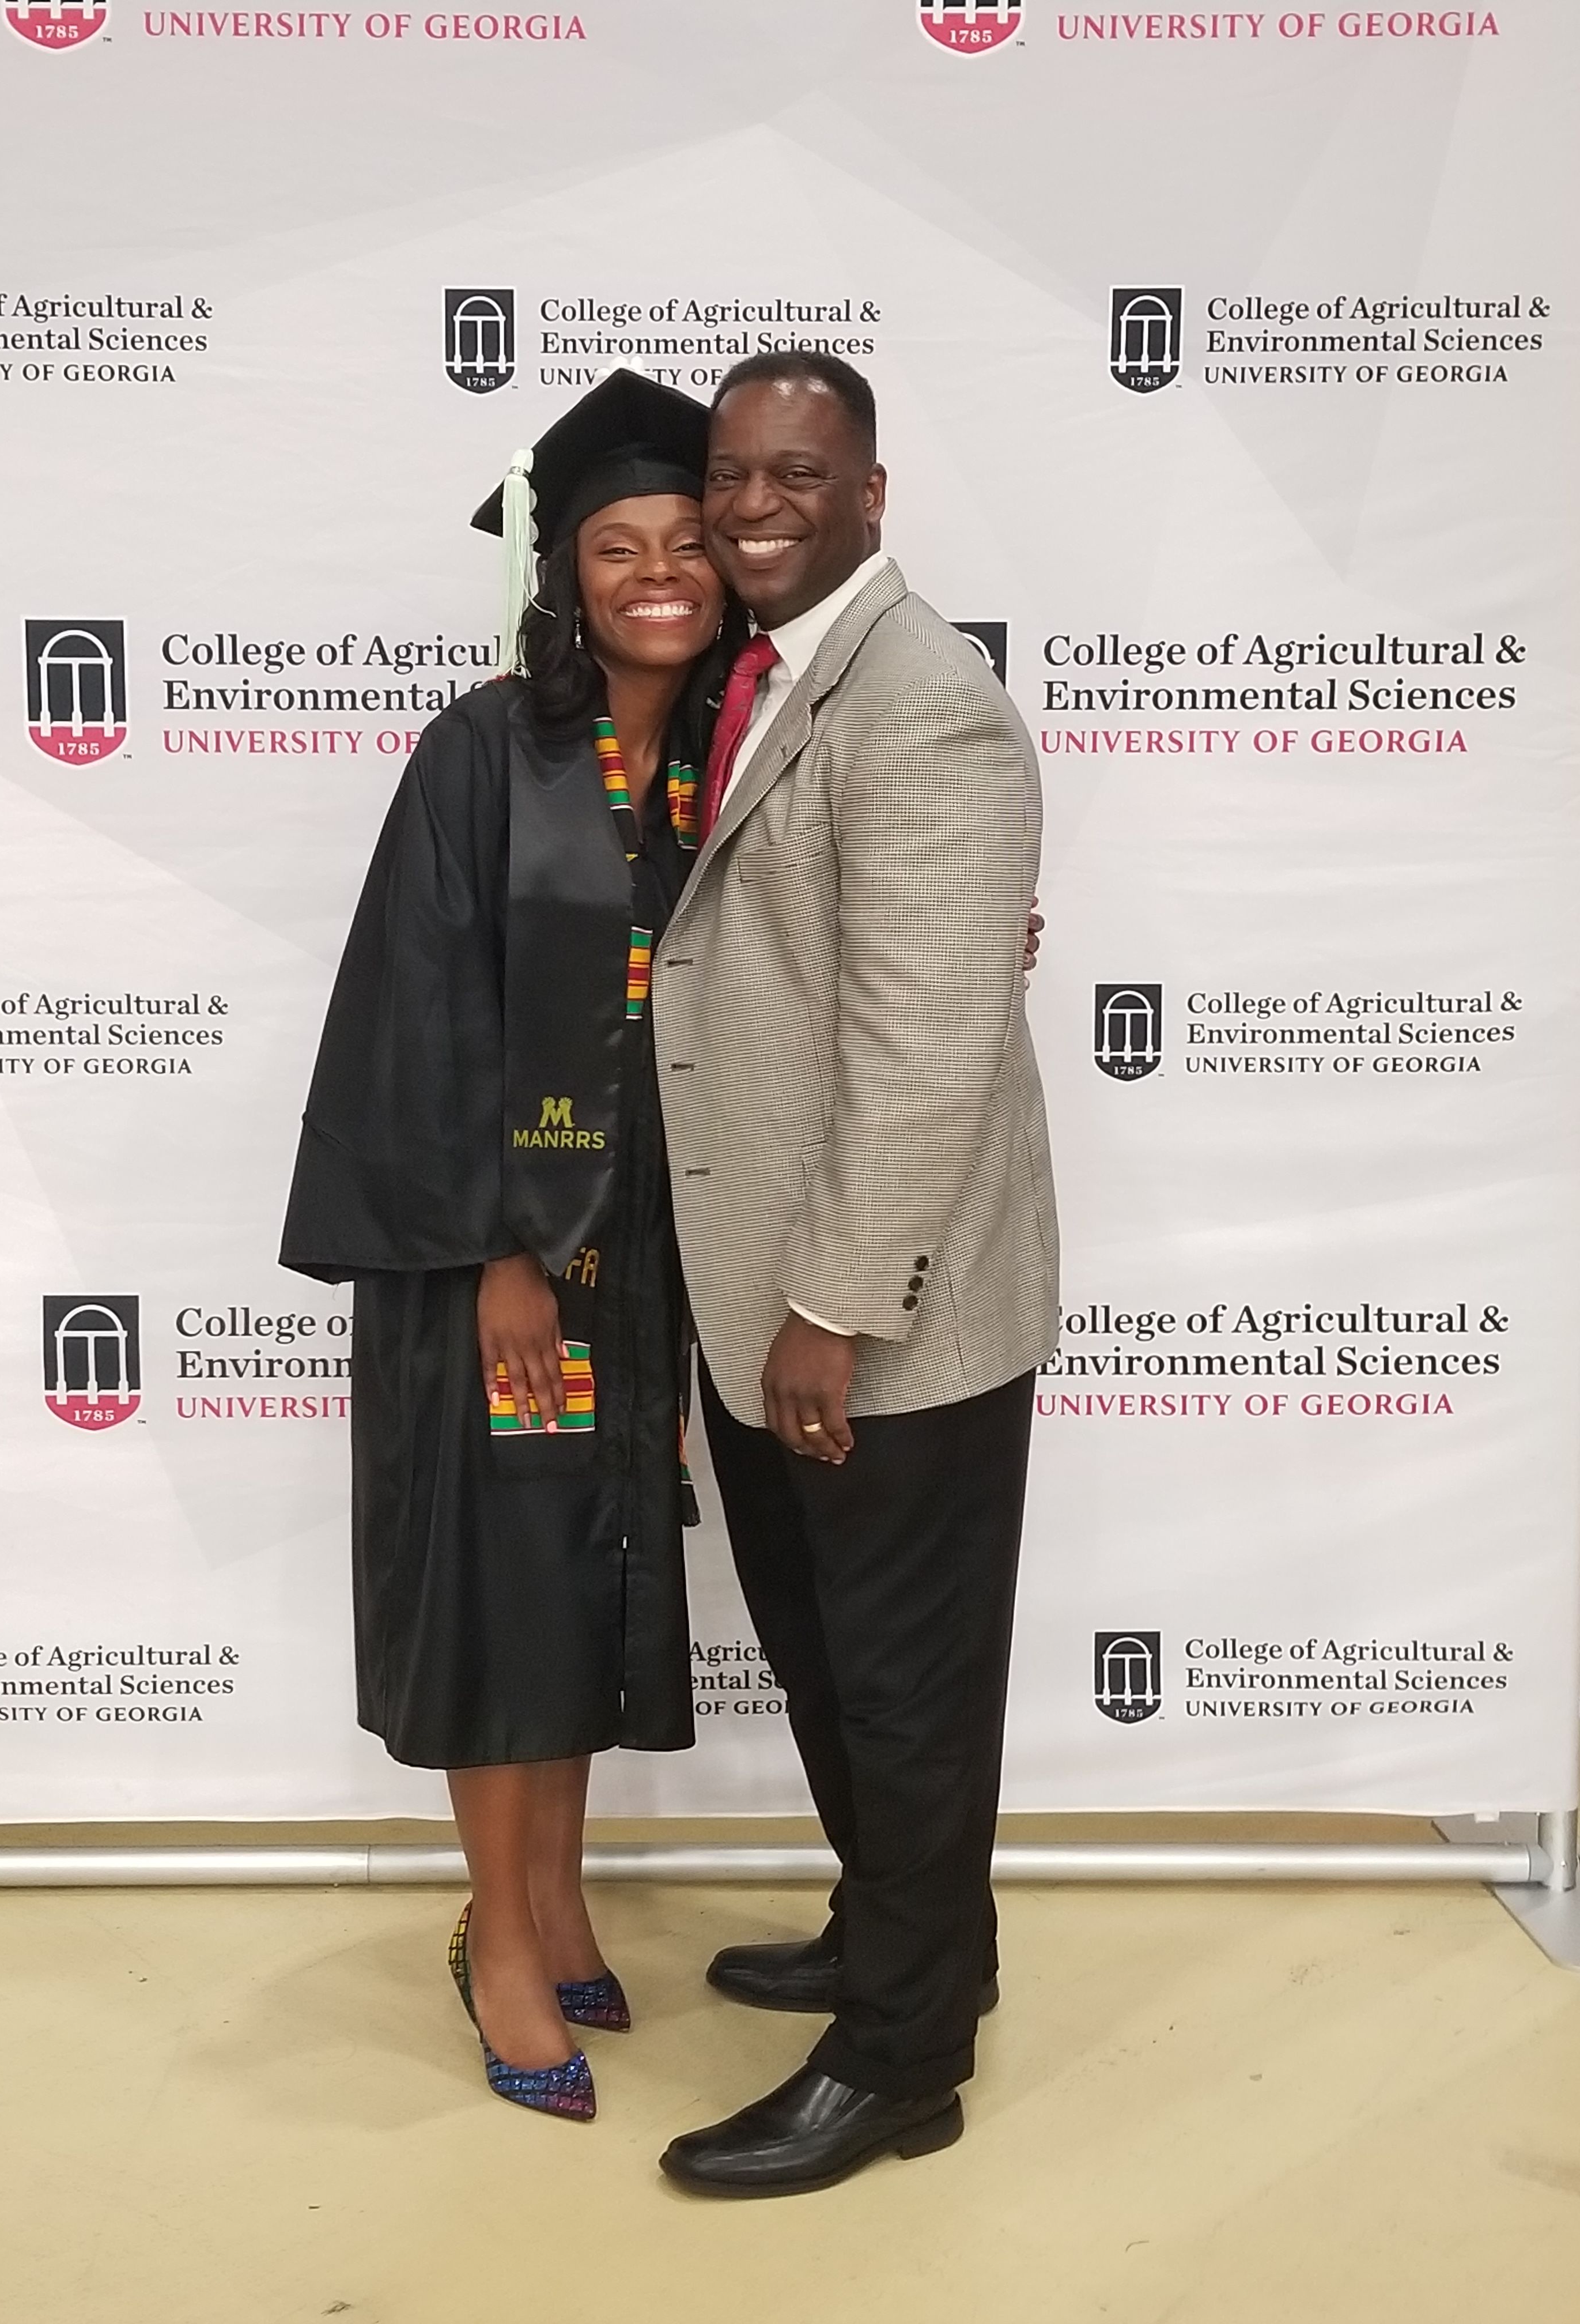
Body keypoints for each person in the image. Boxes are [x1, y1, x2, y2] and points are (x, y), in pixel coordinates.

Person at [280, 371, 736, 2123]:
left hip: (631, 1256)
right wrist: (500, 1254)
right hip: (489, 1267)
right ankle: (501, 1942)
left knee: (576, 1585)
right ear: (566, 573)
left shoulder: (720, 757)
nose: (656, 573)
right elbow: (424, 1016)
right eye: (615, 546)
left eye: (685, 541)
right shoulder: (487, 747)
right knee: (499, 1596)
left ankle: (553, 1894)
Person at [651, 352, 1059, 2195]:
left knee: (899, 1683)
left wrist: (834, 1304)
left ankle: (900, 2062)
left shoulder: (921, 706)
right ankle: (910, 1940)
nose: (752, 505)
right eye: (732, 470)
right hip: (770, 1298)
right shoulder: (766, 678)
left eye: (797, 475)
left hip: (877, 1313)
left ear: (872, 496)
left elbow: (921, 1044)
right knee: (831, 1665)